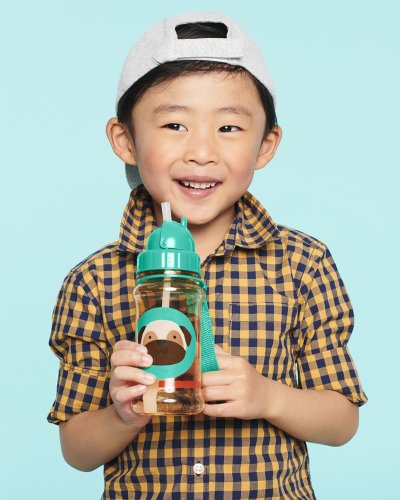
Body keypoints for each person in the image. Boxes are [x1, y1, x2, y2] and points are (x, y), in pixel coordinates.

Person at [47, 12, 368, 499]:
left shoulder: (303, 264)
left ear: (266, 145)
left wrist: (269, 397)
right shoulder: (93, 281)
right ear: (126, 140)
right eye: (174, 124)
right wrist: (122, 415)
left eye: (229, 127)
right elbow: (77, 450)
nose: (201, 151)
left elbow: (342, 421)